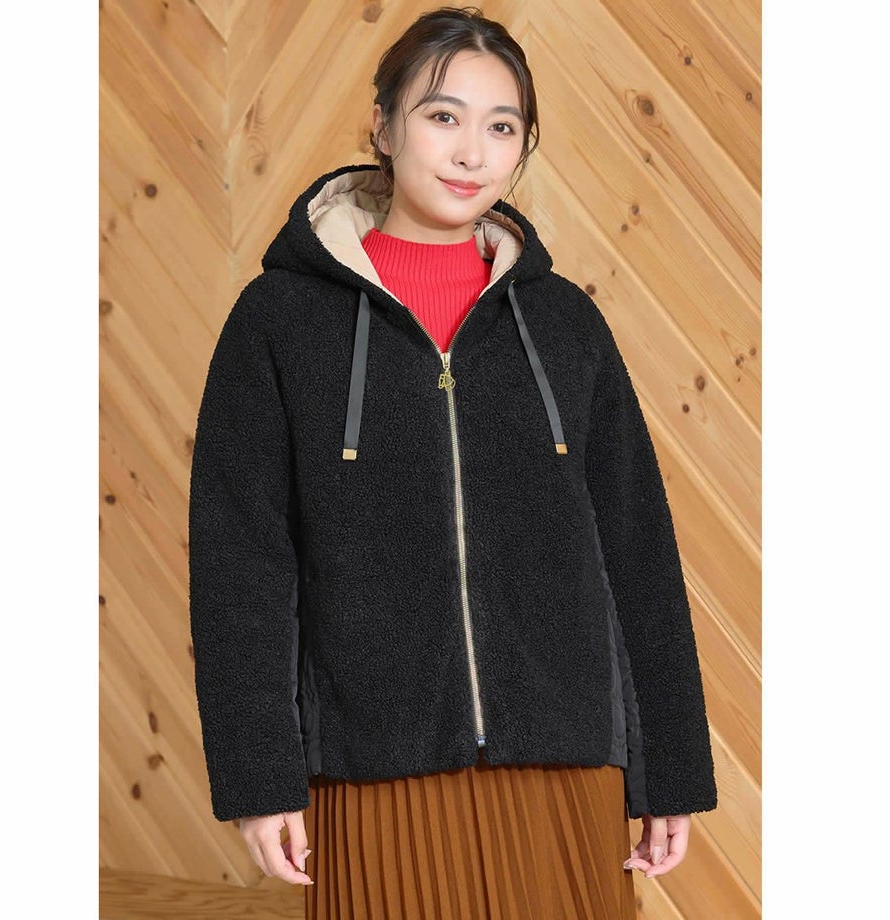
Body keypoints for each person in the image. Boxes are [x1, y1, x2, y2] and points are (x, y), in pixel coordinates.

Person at [188, 6, 717, 918]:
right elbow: (241, 563)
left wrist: (670, 765)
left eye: (502, 127)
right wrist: (258, 773)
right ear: (384, 126)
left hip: (564, 761)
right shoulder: (278, 322)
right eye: (443, 116)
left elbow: (637, 552)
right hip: (372, 760)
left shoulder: (564, 325)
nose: (472, 151)